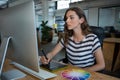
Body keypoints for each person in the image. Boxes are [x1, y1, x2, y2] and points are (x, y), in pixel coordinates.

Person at [40, 7, 105, 72]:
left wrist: (81, 72)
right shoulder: (66, 38)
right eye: (66, 18)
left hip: (87, 74)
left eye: (71, 17)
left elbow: (101, 65)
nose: (67, 21)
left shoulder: (92, 39)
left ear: (81, 20)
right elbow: (51, 53)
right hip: (70, 73)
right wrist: (46, 58)